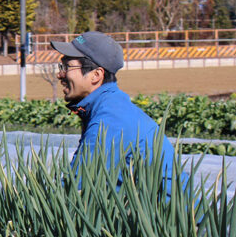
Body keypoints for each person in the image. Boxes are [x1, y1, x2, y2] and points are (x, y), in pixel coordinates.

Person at [51, 31, 177, 190]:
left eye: (66, 67)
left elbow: (76, 187)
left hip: (164, 214)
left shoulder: (111, 119)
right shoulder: (109, 105)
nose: (59, 74)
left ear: (96, 75)